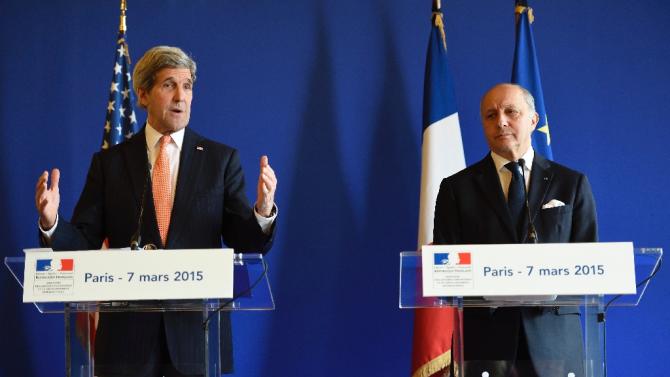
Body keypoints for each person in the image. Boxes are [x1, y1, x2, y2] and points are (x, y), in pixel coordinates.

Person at [34, 46, 277, 377]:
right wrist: (52, 223)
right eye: (168, 85)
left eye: (187, 85)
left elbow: (245, 242)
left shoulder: (220, 161)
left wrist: (263, 211)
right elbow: (83, 242)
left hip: (196, 337)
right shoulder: (110, 163)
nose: (181, 96)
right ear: (143, 94)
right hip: (125, 342)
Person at [433, 83, 597, 377]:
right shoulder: (456, 188)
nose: (501, 121)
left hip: (555, 341)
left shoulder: (571, 184)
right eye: (490, 115)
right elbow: (445, 270)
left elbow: (590, 263)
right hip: (485, 342)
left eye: (511, 112)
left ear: (533, 120)